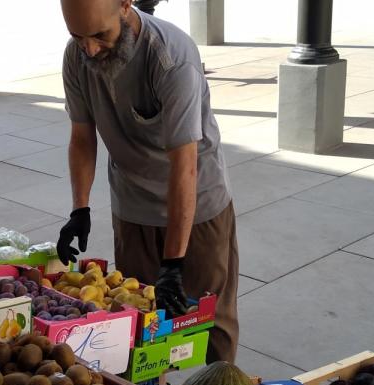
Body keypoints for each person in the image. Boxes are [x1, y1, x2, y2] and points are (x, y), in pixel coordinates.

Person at [56, 0, 239, 364]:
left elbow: (184, 166)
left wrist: (174, 263)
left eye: (99, 35)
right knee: (137, 324)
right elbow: (82, 137)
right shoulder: (77, 56)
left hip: (197, 207)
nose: (89, 49)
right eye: (78, 36)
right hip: (133, 207)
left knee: (212, 322)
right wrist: (80, 209)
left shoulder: (171, 58)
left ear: (125, 5)